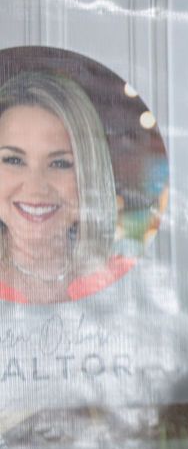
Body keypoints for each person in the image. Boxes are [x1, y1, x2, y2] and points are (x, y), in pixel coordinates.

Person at [0, 70, 131, 304]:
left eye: (60, 163)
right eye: (13, 160)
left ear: (89, 174)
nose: (36, 188)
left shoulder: (128, 282)